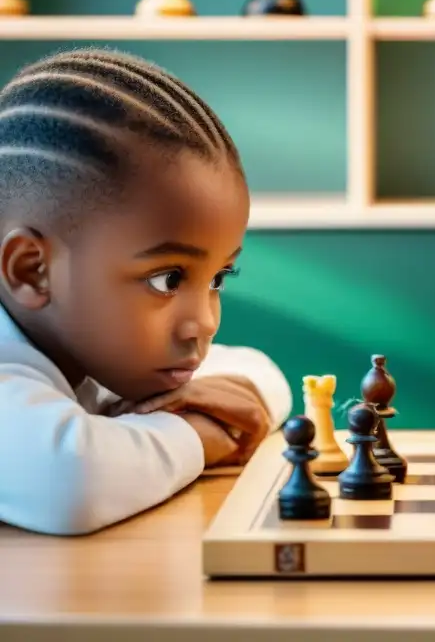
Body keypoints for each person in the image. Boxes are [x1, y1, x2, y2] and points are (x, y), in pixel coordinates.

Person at [0, 47, 293, 536]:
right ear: (33, 271)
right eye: (168, 280)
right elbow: (72, 483)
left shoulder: (91, 348)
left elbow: (260, 373)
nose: (204, 322)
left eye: (218, 278)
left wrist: (231, 400)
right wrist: (201, 434)